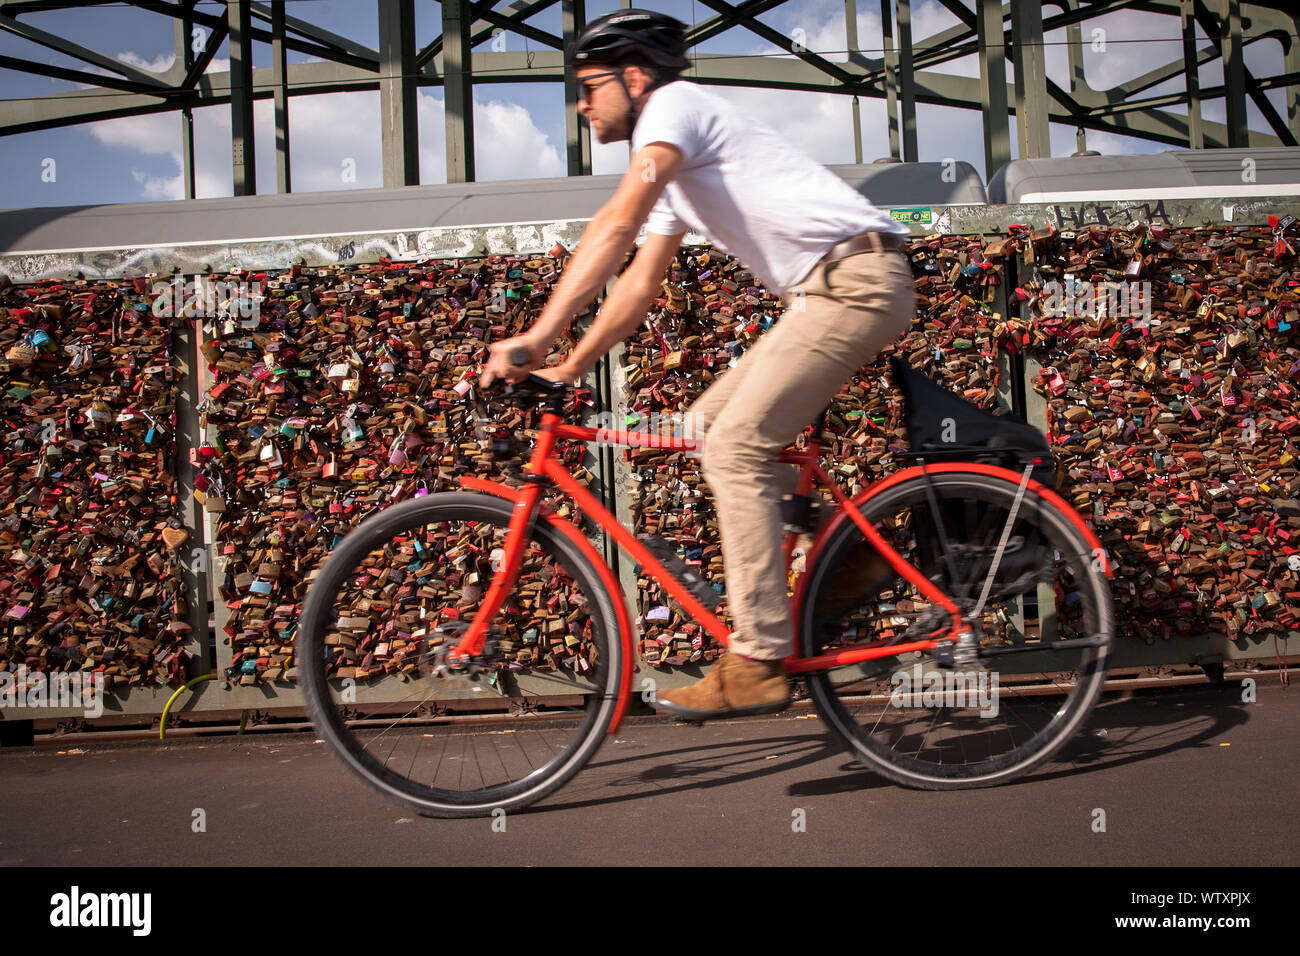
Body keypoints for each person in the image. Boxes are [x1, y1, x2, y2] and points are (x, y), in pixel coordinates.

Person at [480, 8, 914, 720]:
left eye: (590, 86)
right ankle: (851, 551)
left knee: (736, 445)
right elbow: (639, 283)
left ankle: (758, 658)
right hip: (828, 289)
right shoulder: (676, 170)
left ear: (636, 76)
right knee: (703, 425)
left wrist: (533, 337)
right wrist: (569, 364)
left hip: (853, 283)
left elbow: (614, 223)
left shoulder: (675, 109)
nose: (582, 104)